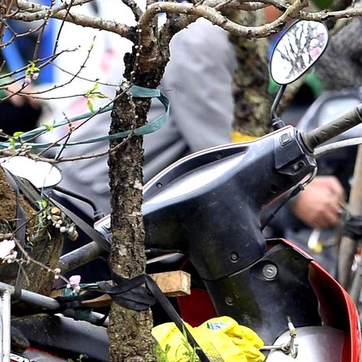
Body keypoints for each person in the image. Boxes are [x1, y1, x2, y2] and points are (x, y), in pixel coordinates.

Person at [64, 18, 345, 230]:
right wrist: (297, 195)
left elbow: (241, 138)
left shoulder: (235, 49)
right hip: (89, 203)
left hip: (126, 208)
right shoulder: (199, 41)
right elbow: (218, 153)